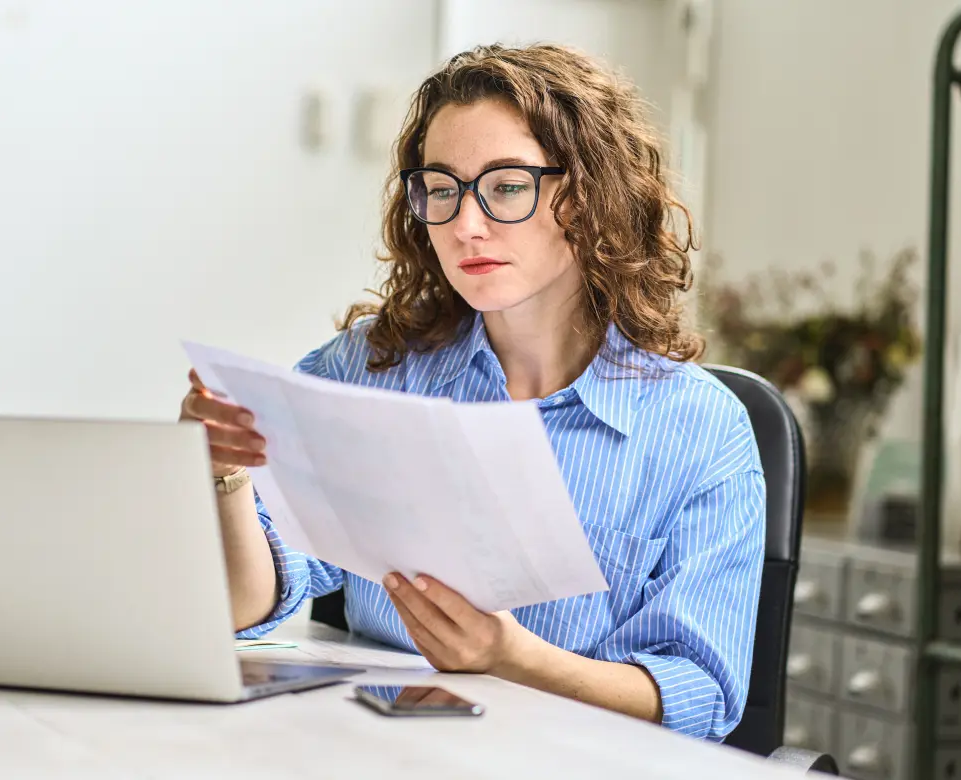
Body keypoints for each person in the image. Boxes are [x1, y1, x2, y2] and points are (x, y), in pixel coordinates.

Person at [179, 43, 765, 741]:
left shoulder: (701, 428)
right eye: (443, 187)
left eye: (507, 186)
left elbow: (702, 694)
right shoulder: (369, 368)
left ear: (586, 198)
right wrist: (226, 477)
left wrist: (513, 660)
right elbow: (250, 605)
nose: (465, 224)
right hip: (374, 750)